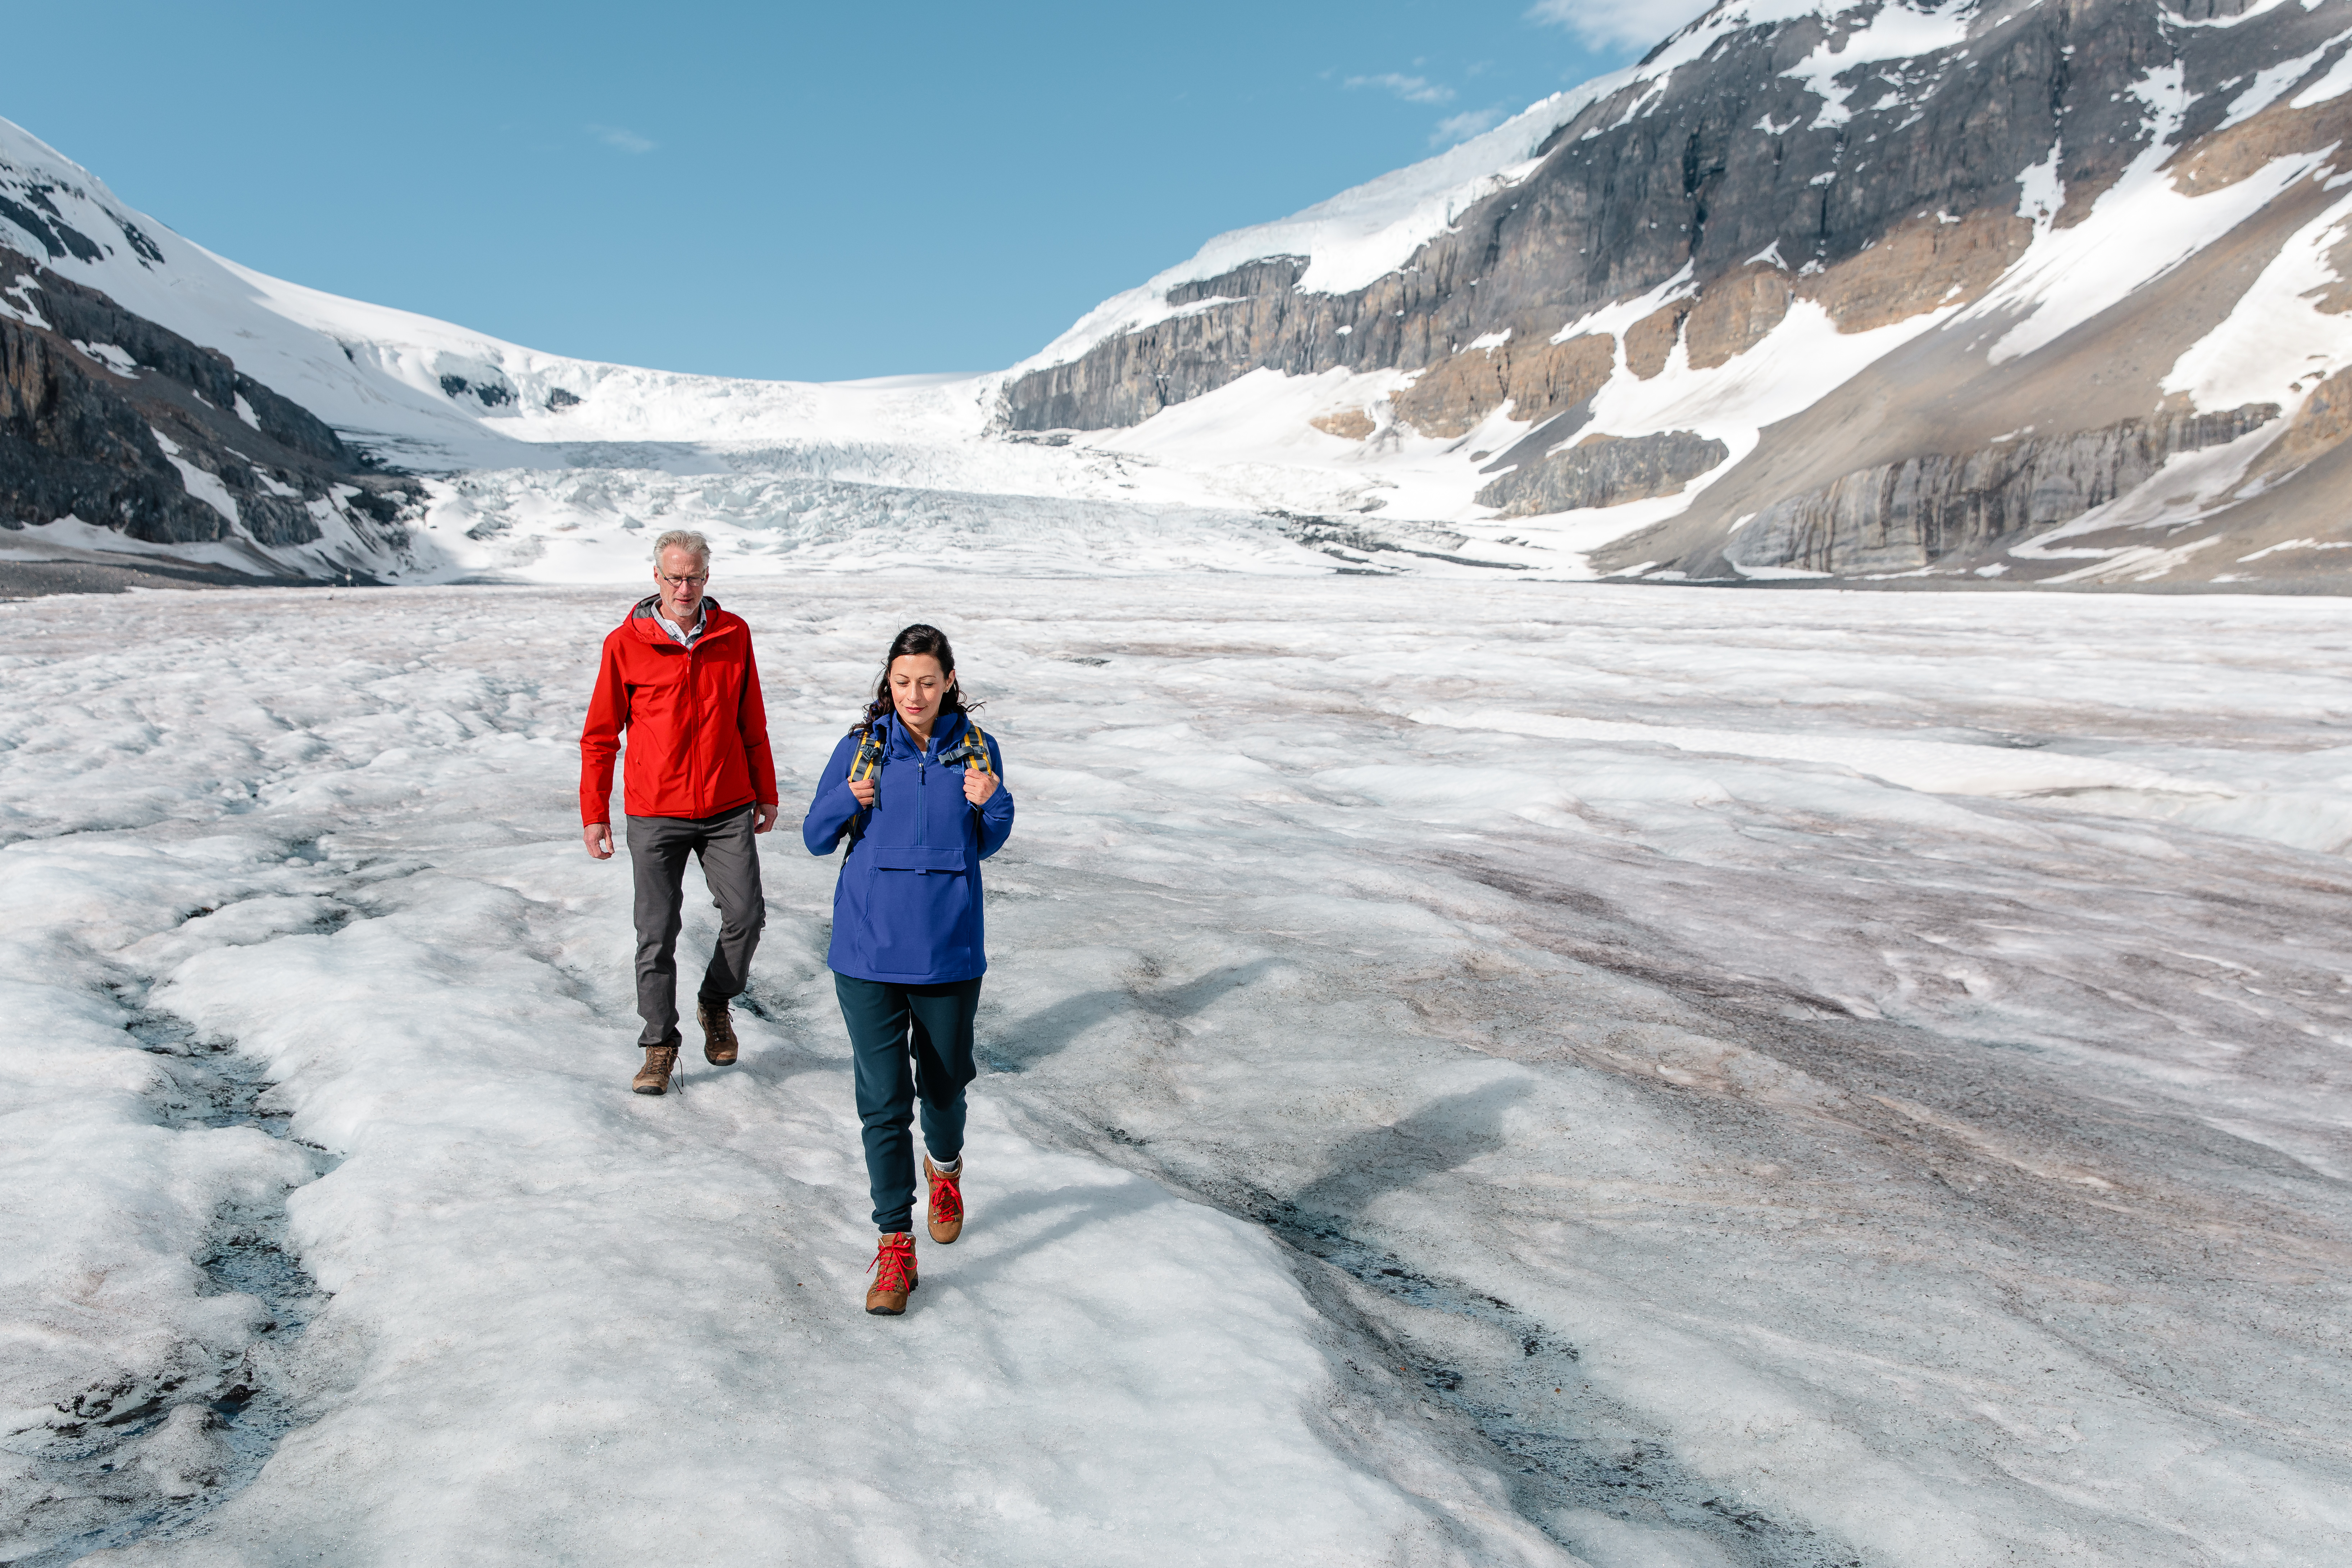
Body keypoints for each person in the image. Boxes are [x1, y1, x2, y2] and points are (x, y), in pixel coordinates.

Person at [803, 624, 1014, 1315]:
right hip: (867, 953)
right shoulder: (860, 750)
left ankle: (946, 1169)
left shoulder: (977, 753)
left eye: (928, 680)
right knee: (884, 1101)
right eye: (902, 682)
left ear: (949, 680)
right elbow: (813, 837)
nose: (915, 695)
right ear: (887, 685)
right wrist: (848, 797)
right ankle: (895, 1243)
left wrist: (993, 803)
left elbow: (985, 843)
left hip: (948, 950)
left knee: (946, 1087)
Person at [580, 530, 778, 1095]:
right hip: (655, 810)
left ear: (707, 578)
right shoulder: (625, 644)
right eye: (674, 577)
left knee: (747, 915)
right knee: (656, 932)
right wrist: (595, 812)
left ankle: (715, 1002)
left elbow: (752, 721)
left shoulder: (733, 634)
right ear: (656, 578)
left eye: (693, 576)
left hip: (727, 805)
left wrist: (766, 792)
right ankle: (659, 1045)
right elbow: (600, 737)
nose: (684, 587)